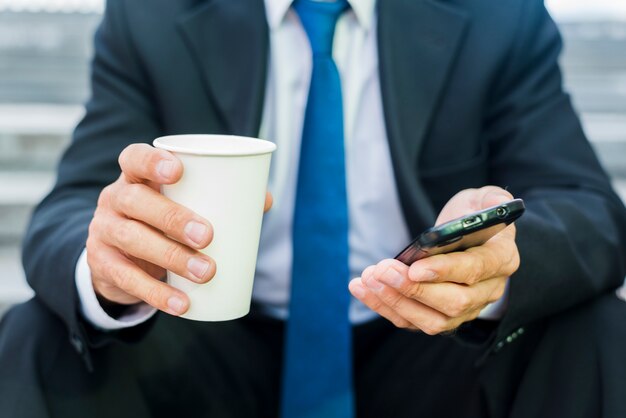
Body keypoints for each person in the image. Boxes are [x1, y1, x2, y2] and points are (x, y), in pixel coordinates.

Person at [1, 0, 626, 417]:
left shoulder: (496, 13)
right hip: (208, 339)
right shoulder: (153, 14)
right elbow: (72, 206)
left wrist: (493, 266)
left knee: (593, 330)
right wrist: (109, 267)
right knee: (40, 335)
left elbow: (587, 207)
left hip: (430, 338)